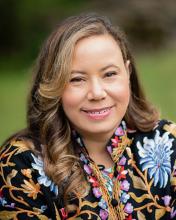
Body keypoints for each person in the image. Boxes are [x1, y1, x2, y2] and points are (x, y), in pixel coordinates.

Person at [0, 13, 176, 220]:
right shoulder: (22, 164)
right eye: (76, 79)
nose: (97, 93)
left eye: (110, 74)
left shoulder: (167, 143)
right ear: (53, 85)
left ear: (127, 73)